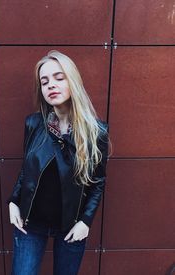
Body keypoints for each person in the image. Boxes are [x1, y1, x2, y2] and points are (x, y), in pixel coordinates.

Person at [6, 50, 111, 275]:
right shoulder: (34, 124)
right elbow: (27, 168)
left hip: (71, 226)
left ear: (72, 81)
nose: (50, 85)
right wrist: (14, 200)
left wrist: (85, 221)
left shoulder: (96, 132)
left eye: (58, 77)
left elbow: (97, 181)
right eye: (44, 82)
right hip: (30, 223)